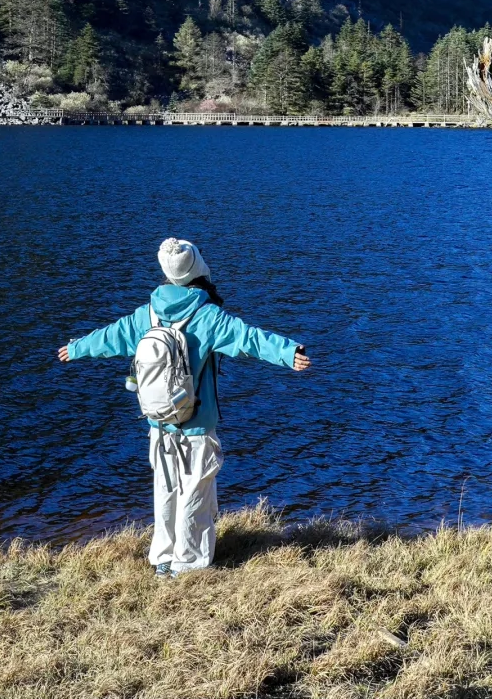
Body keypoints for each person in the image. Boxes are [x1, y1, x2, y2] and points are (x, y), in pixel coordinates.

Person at [58, 236, 311, 576]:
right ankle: (187, 566)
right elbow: (249, 338)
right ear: (198, 270)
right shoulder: (207, 317)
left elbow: (110, 336)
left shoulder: (146, 314)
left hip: (158, 424)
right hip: (196, 424)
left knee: (166, 491)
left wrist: (76, 348)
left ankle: (163, 558)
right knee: (195, 494)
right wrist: (287, 352)